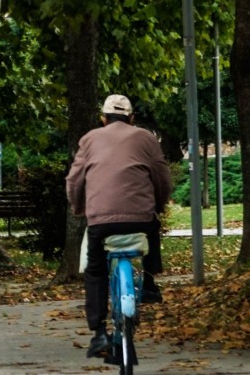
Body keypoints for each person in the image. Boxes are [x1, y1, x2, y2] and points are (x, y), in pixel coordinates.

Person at [65, 94, 172, 358]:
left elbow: (74, 180)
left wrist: (78, 208)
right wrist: (158, 205)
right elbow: (162, 178)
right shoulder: (146, 137)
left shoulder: (89, 139)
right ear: (132, 118)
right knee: (151, 228)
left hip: (100, 219)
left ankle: (99, 332)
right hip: (140, 217)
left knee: (95, 270)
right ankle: (149, 284)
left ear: (103, 119)